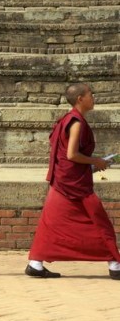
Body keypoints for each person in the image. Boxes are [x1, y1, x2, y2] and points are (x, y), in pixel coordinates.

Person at [26, 83, 120, 280]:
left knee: (49, 223)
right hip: (74, 184)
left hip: (63, 179)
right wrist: (95, 160)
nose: (93, 98)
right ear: (80, 99)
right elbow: (71, 154)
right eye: (90, 95)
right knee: (100, 222)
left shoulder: (69, 119)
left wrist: (93, 166)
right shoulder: (76, 122)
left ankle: (35, 263)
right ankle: (115, 265)